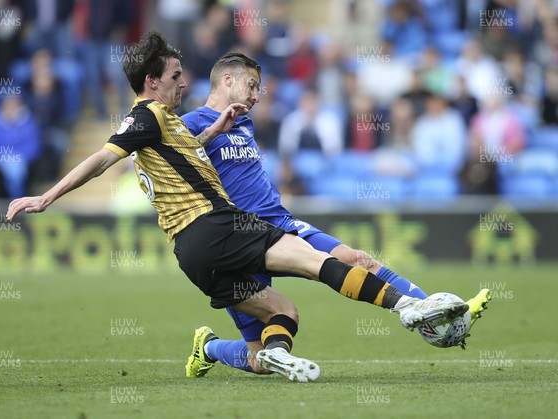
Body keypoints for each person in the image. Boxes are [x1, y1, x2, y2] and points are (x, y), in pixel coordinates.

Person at [6, 31, 472, 383]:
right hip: (230, 228)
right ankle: (410, 307)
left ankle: (218, 350)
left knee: (279, 321)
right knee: (323, 264)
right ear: (152, 81)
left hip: (192, 252)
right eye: (174, 76)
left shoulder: (179, 124)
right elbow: (104, 158)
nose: (181, 81)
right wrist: (46, 196)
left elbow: (179, 158)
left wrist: (214, 132)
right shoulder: (150, 115)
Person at [181, 52, 491, 377]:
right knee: (260, 362)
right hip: (236, 238)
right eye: (252, 86)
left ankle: (432, 307)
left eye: (259, 89)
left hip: (278, 225)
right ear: (227, 80)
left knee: (357, 259)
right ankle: (209, 347)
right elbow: (173, 171)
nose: (257, 96)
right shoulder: (191, 125)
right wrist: (208, 136)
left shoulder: (243, 121)